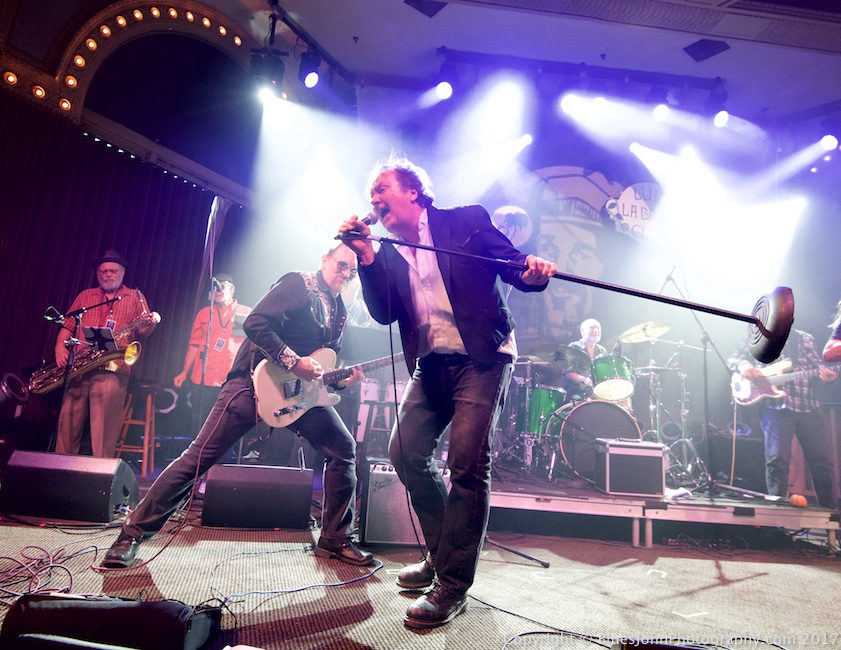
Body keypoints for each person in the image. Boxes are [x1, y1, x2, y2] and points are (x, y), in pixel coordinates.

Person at [338, 157, 556, 629]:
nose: (374, 199)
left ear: (413, 192)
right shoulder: (390, 249)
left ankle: (452, 584)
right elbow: (384, 312)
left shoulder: (464, 221)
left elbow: (512, 265)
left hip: (482, 357)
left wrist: (531, 272)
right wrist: (367, 256)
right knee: (405, 452)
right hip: (433, 362)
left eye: (381, 189)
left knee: (466, 464)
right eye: (370, 194)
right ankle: (441, 555)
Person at [102, 243, 373, 568]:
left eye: (353, 270)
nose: (346, 273)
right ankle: (130, 535)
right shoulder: (299, 283)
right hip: (250, 384)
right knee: (197, 459)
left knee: (343, 446)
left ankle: (335, 538)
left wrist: (340, 380)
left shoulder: (340, 310)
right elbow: (255, 323)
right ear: (325, 260)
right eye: (342, 264)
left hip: (299, 394)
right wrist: (293, 361)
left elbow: (320, 364)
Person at [54, 250, 157, 458]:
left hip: (113, 367)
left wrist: (151, 322)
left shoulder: (135, 296)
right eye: (103, 271)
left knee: (104, 429)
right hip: (80, 367)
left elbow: (144, 331)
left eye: (113, 271)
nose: (108, 274)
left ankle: (100, 470)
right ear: (97, 274)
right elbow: (68, 326)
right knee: (68, 421)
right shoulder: (86, 295)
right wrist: (60, 347)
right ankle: (61, 467)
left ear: (123, 272)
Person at [728, 329, 838, 509]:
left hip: (809, 406)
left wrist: (827, 376)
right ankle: (777, 514)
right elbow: (733, 359)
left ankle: (831, 515)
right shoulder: (759, 337)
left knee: (823, 463)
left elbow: (817, 366)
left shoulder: (804, 337)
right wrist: (744, 365)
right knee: (777, 461)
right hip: (776, 407)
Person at [172, 273, 251, 435]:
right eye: (214, 288)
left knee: (225, 423)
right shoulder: (205, 313)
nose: (217, 291)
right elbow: (194, 344)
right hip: (203, 376)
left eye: (221, 286)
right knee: (200, 421)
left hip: (230, 377)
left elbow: (252, 346)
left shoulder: (246, 312)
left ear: (231, 288)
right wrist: (184, 371)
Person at [561, 318, 605, 402]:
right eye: (592, 327)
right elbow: (568, 373)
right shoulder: (574, 347)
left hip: (596, 393)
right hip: (576, 394)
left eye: (598, 328)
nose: (596, 330)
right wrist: (584, 380)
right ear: (582, 331)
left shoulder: (601, 351)